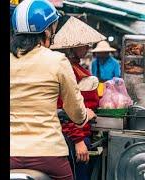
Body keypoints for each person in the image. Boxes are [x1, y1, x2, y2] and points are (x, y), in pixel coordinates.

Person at [10, 1, 96, 179]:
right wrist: (85, 115)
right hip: (47, 153)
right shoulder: (57, 60)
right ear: (47, 31)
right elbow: (76, 113)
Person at [50, 16, 105, 180]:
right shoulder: (67, 69)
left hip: (82, 131)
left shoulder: (77, 67)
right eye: (84, 44)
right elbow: (63, 109)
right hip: (73, 136)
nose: (88, 47)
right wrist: (78, 140)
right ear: (72, 47)